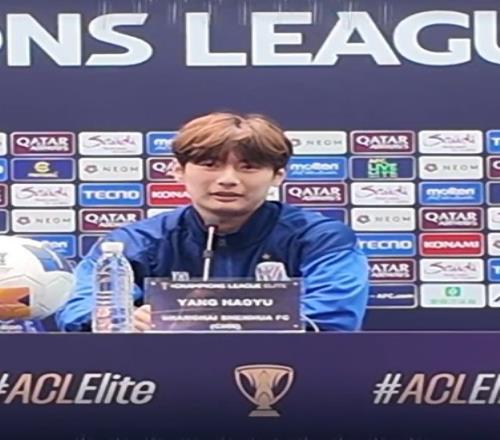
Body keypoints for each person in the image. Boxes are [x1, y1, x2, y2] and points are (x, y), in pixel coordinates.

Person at [56, 112, 369, 332]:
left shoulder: (320, 238)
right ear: (178, 171)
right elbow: (77, 308)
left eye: (248, 167)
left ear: (277, 176)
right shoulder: (136, 241)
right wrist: (127, 321)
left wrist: (218, 319)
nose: (228, 179)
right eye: (209, 164)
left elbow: (333, 318)